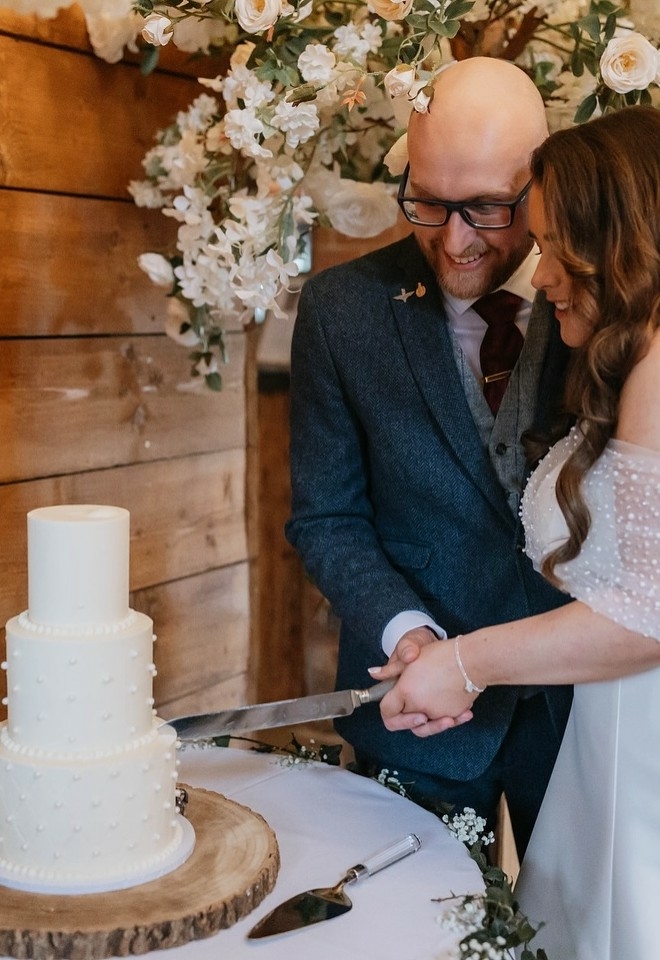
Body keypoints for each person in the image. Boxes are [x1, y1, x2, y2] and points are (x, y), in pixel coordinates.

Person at [375, 105, 660, 960]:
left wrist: (465, 662)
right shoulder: (632, 352)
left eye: (555, 249)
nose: (538, 278)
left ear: (620, 243)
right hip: (607, 734)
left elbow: (647, 611)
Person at [285, 56, 573, 858]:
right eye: (428, 201)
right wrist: (406, 633)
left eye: (485, 207)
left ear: (541, 178)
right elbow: (327, 516)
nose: (453, 241)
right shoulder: (341, 312)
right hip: (416, 717)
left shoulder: (603, 296)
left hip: (587, 716)